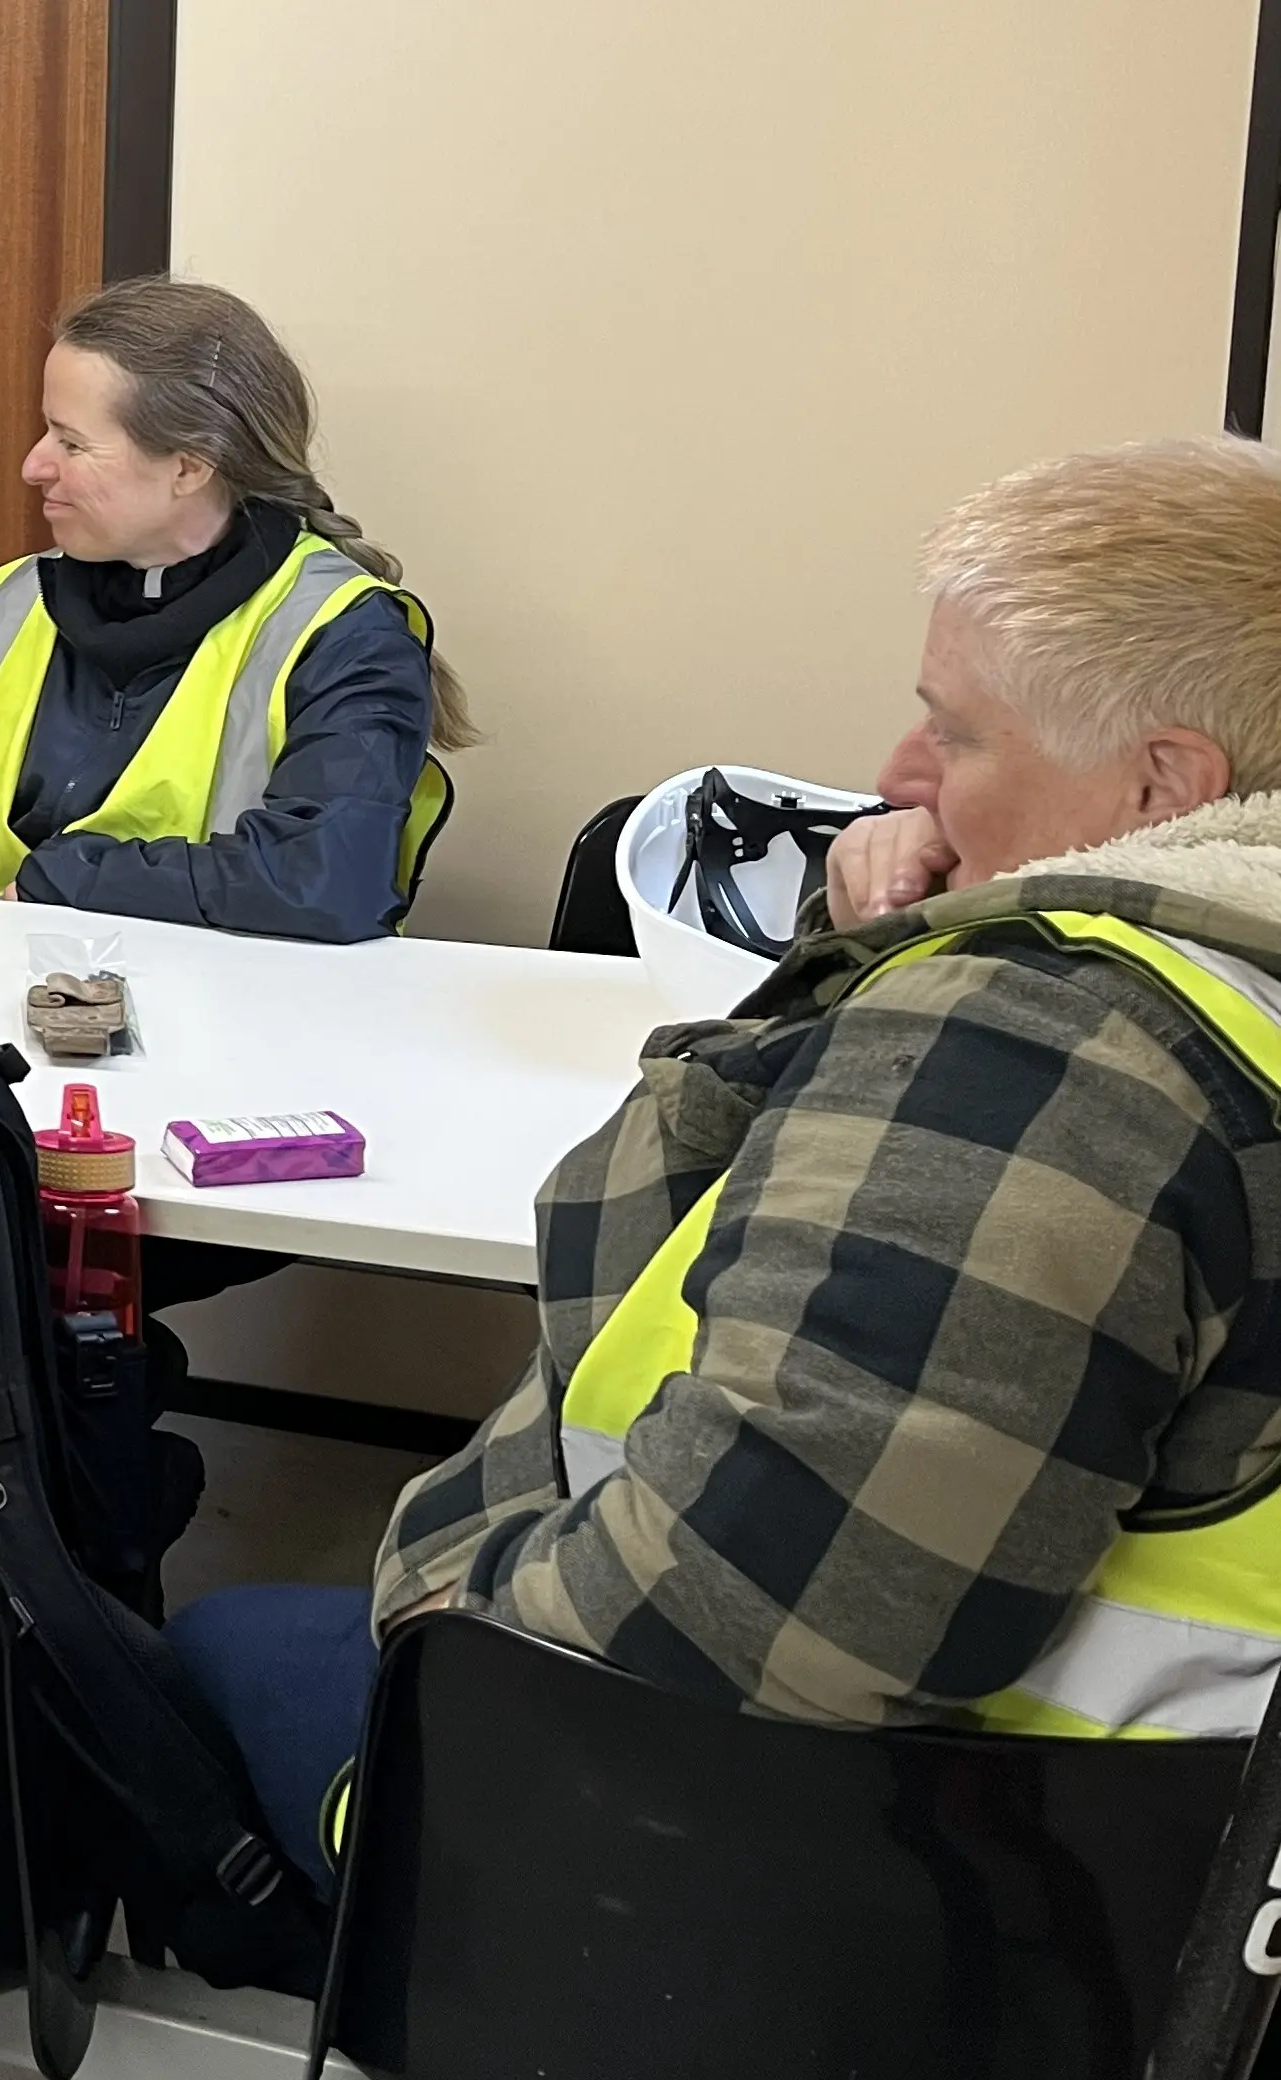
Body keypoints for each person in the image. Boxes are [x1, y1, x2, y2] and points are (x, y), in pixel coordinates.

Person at [168, 436, 1281, 1894]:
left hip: (806, 1864)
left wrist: (447, 1602)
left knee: (191, 1660)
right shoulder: (1215, 1002)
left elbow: (760, 1619)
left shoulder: (1047, 1050)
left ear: (1157, 784)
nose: (891, 782)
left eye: (954, 737)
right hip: (1151, 1851)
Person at [0, 276, 473, 943]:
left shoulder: (344, 633)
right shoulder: (16, 600)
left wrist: (62, 884)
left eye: (71, 443)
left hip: (246, 1027)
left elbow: (325, 877)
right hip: (12, 1006)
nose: (33, 465)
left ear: (190, 468)